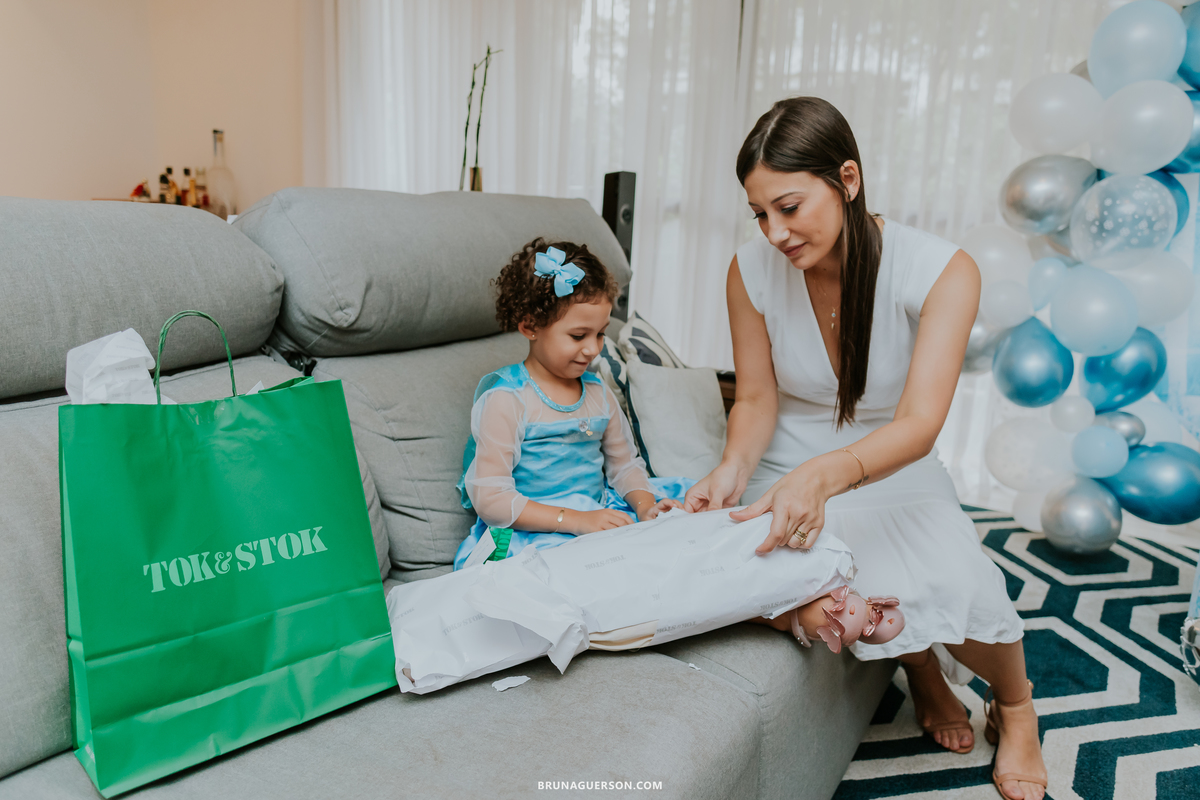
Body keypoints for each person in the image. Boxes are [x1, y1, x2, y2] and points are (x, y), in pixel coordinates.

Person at [684, 97, 1046, 800]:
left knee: (956, 581)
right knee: (781, 575)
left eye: (789, 206)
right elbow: (756, 399)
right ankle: (921, 669)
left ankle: (1017, 707)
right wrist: (730, 470)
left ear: (847, 179)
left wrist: (831, 475)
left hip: (893, 460)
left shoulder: (943, 270)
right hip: (791, 460)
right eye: (760, 214)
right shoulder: (749, 271)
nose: (775, 232)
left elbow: (919, 422)